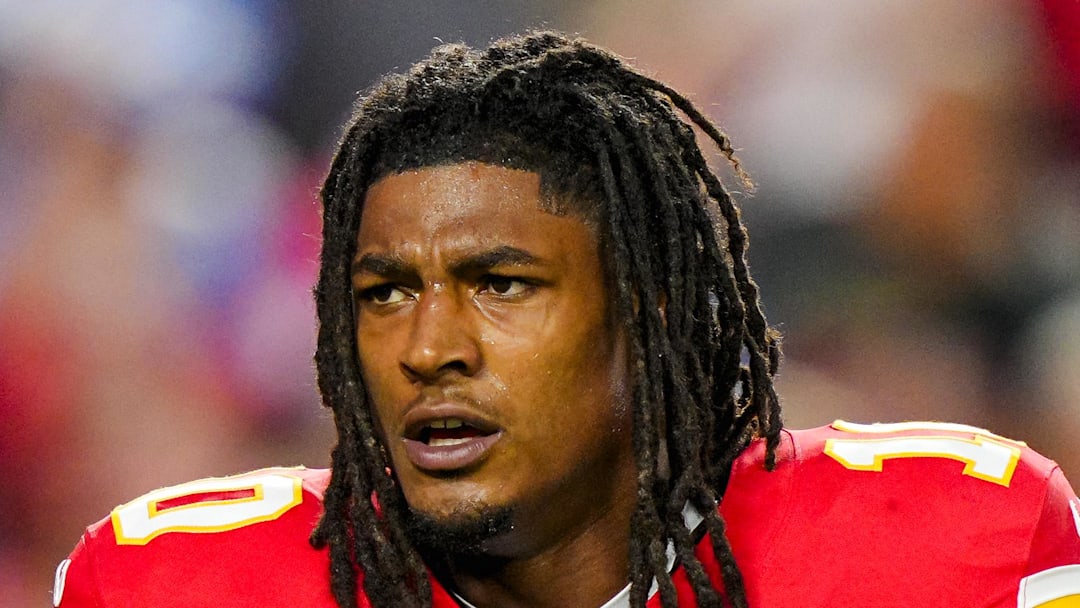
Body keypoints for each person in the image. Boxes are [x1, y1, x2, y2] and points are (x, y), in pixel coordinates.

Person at [53, 31, 1080, 608]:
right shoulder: (169, 582)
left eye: (501, 283)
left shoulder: (952, 545)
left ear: (651, 313)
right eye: (385, 292)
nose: (429, 347)